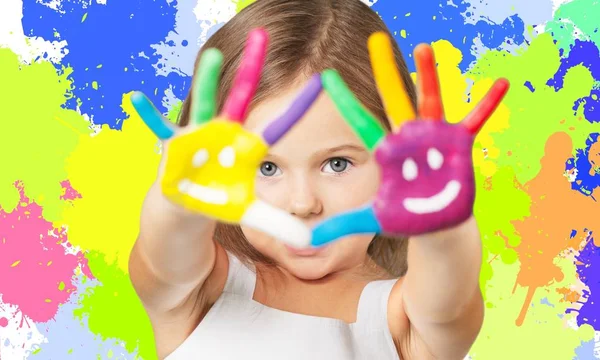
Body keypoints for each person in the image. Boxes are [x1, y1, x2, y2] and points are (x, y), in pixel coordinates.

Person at [128, 0, 502, 359]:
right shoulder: (198, 291)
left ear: (394, 166)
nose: (303, 204)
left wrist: (442, 223)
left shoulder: (405, 323)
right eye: (267, 168)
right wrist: (178, 202)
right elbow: (166, 252)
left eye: (337, 164)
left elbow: (448, 301)